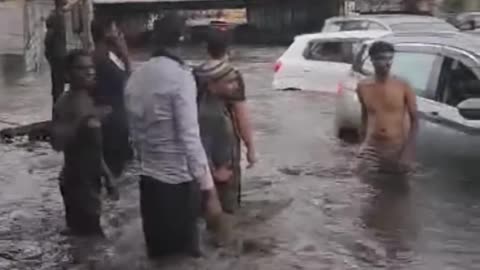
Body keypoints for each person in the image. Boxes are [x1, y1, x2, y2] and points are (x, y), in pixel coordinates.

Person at [124, 13, 225, 258]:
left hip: (147, 182)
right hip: (177, 185)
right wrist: (209, 190)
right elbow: (190, 138)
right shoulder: (181, 77)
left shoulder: (136, 77)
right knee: (183, 257)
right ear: (181, 40)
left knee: (157, 256)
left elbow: (134, 135)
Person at [50, 50, 118, 237]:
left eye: (91, 67)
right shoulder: (65, 104)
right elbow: (56, 143)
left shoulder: (86, 100)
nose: (89, 72)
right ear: (68, 74)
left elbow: (93, 148)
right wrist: (81, 121)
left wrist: (108, 176)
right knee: (92, 241)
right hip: (78, 184)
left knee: (89, 240)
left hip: (90, 182)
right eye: (81, 68)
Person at [196, 31, 256, 213]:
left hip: (200, 143)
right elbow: (241, 114)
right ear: (228, 50)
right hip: (225, 142)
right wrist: (250, 148)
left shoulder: (195, 73)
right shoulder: (231, 75)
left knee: (204, 194)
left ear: (207, 49)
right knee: (228, 198)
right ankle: (225, 234)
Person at [356, 41, 418, 182]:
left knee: (398, 194)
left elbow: (415, 121)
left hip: (397, 149)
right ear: (372, 60)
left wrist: (408, 152)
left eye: (390, 58)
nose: (388, 63)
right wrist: (361, 144)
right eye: (383, 58)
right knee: (369, 194)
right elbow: (365, 116)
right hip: (373, 148)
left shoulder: (402, 85)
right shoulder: (363, 86)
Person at [91, 18, 132, 178]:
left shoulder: (107, 56)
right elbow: (129, 82)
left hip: (115, 121)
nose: (119, 33)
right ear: (107, 33)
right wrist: (126, 55)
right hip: (111, 124)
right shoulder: (103, 59)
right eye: (116, 30)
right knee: (114, 173)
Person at [45, 0, 67, 107]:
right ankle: (58, 113)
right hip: (58, 56)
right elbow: (49, 37)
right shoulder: (56, 16)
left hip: (59, 55)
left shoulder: (59, 14)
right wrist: (48, 53)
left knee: (59, 87)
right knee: (58, 88)